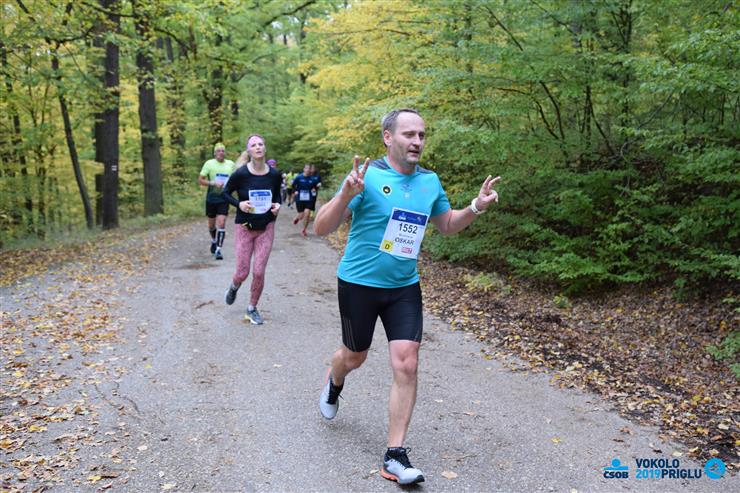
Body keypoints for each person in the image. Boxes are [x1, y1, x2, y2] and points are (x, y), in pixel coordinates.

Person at [313, 109, 500, 485]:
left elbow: (447, 225)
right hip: (359, 284)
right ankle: (335, 380)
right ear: (388, 137)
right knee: (354, 356)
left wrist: (476, 207)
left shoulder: (430, 182)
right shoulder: (367, 177)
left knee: (407, 363)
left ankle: (395, 455)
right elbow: (321, 228)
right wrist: (346, 194)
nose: (417, 141)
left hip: (403, 287)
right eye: (409, 134)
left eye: (422, 135)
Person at [221, 134, 283, 325]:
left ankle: (251, 308)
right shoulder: (241, 174)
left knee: (258, 271)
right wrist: (239, 204)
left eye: (260, 144)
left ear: (265, 148)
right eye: (254, 145)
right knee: (242, 272)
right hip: (244, 227)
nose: (258, 147)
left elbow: (277, 196)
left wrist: (278, 206)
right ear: (249, 151)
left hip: (266, 227)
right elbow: (225, 193)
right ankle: (234, 286)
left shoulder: (275, 174)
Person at [198, 143, 235, 260]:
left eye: (223, 151)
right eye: (218, 151)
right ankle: (214, 240)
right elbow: (200, 180)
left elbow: (236, 178)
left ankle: (218, 249)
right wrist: (213, 183)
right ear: (214, 153)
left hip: (224, 198)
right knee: (211, 225)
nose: (221, 153)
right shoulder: (209, 164)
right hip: (211, 198)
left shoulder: (230, 164)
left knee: (222, 223)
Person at [291, 164, 319, 237]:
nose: (307, 170)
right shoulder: (299, 177)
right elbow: (293, 185)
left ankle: (304, 230)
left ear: (310, 170)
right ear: (304, 169)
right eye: (306, 168)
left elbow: (315, 187)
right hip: (300, 198)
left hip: (309, 198)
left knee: (307, 214)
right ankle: (297, 218)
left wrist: (315, 189)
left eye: (309, 169)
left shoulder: (313, 179)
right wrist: (295, 191)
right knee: (301, 215)